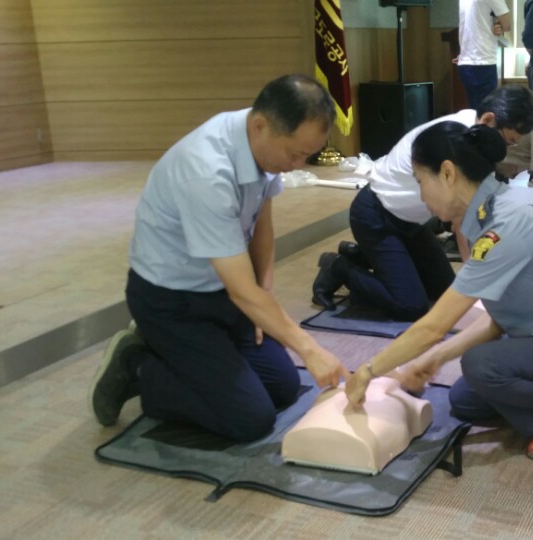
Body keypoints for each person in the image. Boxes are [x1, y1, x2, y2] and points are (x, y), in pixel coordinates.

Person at [344, 122, 533, 461]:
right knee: (465, 401)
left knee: (481, 366)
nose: (421, 196)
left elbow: (433, 327)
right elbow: (499, 319)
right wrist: (434, 358)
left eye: (421, 182)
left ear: (448, 173)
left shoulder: (505, 225)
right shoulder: (497, 206)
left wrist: (367, 371)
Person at [89, 74, 351, 442]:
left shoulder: (263, 141)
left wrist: (265, 297)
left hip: (223, 290)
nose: (297, 165)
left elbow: (261, 221)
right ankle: (138, 366)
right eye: (294, 154)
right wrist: (309, 348)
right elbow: (242, 291)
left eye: (306, 155)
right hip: (172, 301)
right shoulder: (206, 171)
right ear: (260, 126)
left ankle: (191, 361)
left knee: (283, 386)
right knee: (250, 419)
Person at [311, 86, 533, 321]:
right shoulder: (456, 139)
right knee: (410, 306)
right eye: (509, 141)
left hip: (412, 224)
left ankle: (361, 255)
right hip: (376, 216)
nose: (506, 150)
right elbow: (462, 218)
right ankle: (339, 267)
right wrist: (474, 278)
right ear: (489, 120)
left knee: (442, 291)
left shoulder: (475, 135)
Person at [457, 0, 512, 110]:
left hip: (465, 61)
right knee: (487, 112)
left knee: (475, 111)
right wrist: (498, 24)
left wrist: (496, 23)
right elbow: (507, 25)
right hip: (483, 60)